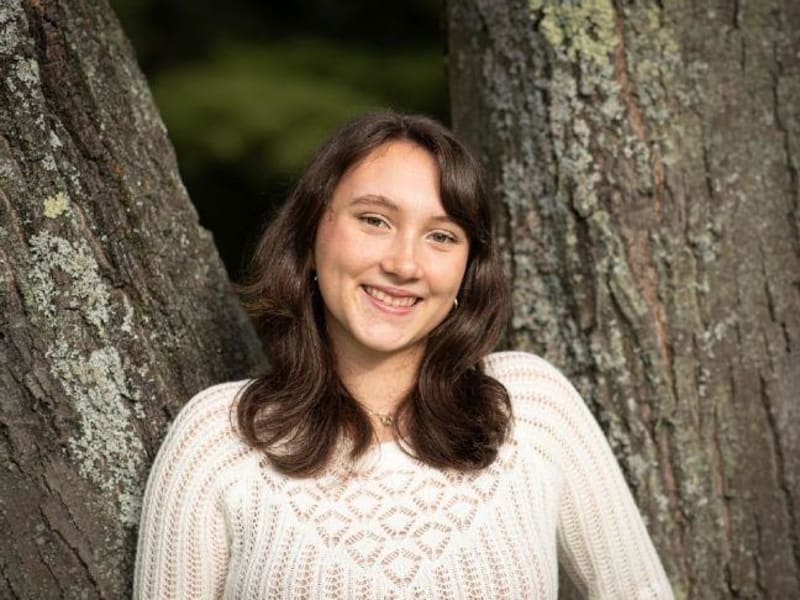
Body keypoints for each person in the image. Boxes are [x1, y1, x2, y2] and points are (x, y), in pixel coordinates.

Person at [133, 112, 673, 599]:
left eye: (441, 236)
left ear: (467, 270)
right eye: (374, 220)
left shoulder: (531, 408)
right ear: (311, 234)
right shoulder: (218, 440)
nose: (404, 263)